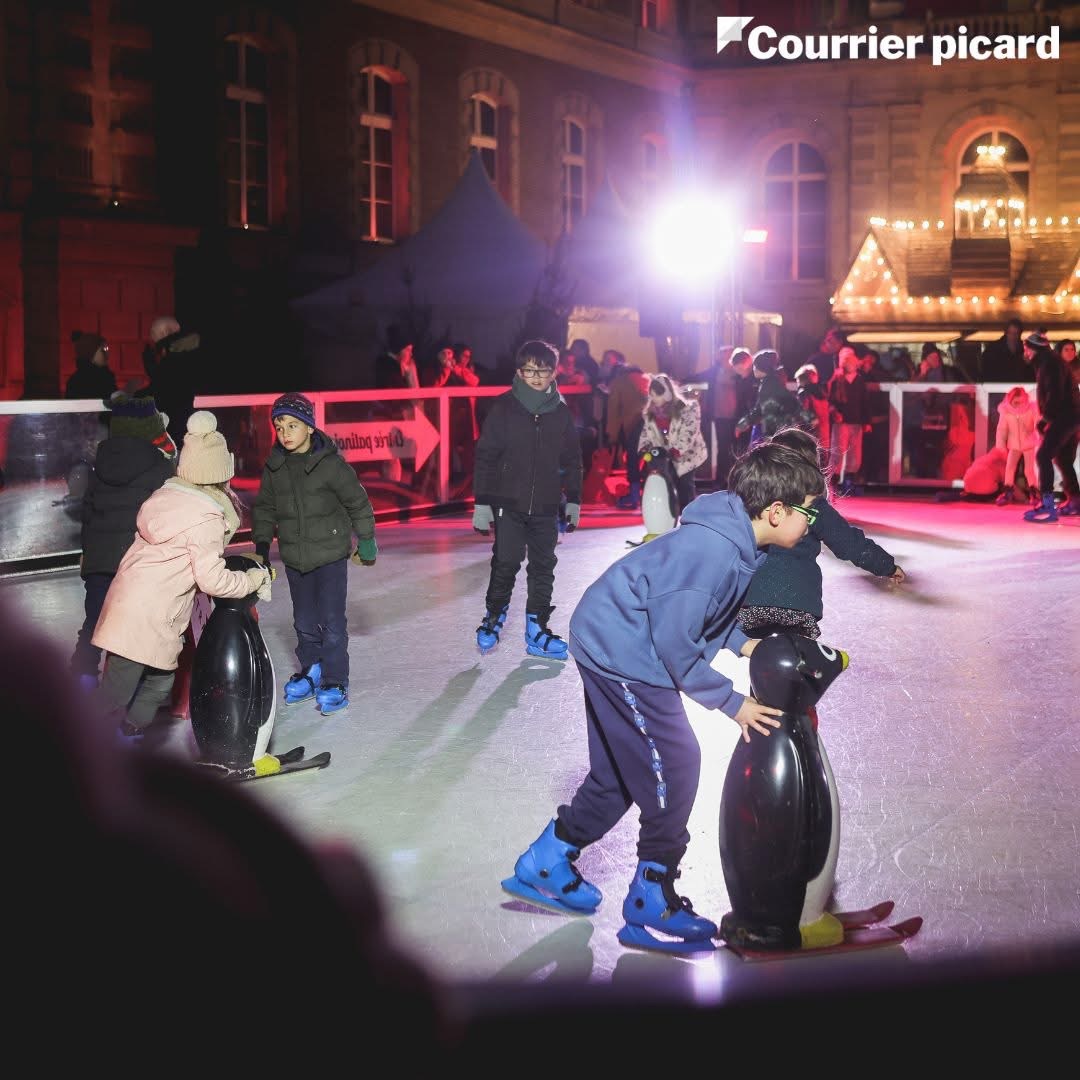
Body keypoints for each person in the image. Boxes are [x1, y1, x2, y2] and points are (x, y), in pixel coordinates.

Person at [500, 440, 826, 953]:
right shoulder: (714, 551)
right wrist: (732, 703)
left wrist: (745, 644)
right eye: (809, 512)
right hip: (625, 651)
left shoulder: (739, 542)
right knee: (676, 763)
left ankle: (546, 860)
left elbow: (702, 616)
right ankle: (650, 898)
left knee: (617, 777)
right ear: (777, 511)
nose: (812, 523)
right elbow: (677, 645)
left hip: (616, 636)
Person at [92, 411, 271, 738]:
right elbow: (212, 579)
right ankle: (82, 740)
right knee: (119, 691)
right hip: (150, 615)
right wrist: (251, 581)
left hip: (129, 605)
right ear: (220, 474)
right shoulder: (205, 517)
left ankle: (130, 730)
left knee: (157, 680)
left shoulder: (166, 496)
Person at [252, 393, 378, 714]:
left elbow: (358, 502)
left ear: (309, 427)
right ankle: (313, 669)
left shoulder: (330, 465)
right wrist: (262, 547)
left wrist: (366, 539)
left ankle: (335, 679)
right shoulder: (275, 466)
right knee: (304, 621)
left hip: (331, 556)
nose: (285, 433)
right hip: (296, 559)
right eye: (279, 427)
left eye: (292, 425)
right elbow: (264, 509)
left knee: (332, 622)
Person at [738, 427, 904, 642]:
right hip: (798, 607)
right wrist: (887, 566)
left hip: (752, 605)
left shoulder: (755, 500)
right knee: (796, 655)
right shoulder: (812, 506)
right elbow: (849, 543)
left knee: (758, 653)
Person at [471, 340, 582, 659]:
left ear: (553, 373)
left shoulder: (560, 413)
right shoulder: (504, 408)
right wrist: (482, 503)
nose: (535, 377)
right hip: (508, 503)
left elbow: (573, 459)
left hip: (546, 505)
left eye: (542, 371)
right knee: (505, 562)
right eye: (529, 370)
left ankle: (537, 629)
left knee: (543, 566)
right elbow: (486, 455)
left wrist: (573, 500)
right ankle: (493, 617)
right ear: (519, 372)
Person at [70, 394, 177, 691]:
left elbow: (88, 515)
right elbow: (164, 514)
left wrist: (88, 553)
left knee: (96, 620)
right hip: (136, 562)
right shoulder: (160, 466)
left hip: (99, 560)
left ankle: (83, 676)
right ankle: (132, 686)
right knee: (135, 624)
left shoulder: (99, 465)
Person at [1022, 331, 1080, 521]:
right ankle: (1076, 500)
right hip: (1072, 416)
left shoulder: (1049, 364)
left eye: (1026, 349)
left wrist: (1046, 418)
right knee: (1063, 459)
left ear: (1034, 349)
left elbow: (1055, 392)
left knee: (1043, 455)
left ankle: (1047, 503)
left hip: (1064, 416)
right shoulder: (1050, 361)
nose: (1025, 353)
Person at [636, 373, 708, 515]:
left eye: (657, 395)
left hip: (687, 456)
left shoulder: (687, 409)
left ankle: (689, 515)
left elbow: (689, 431)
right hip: (664, 457)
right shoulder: (650, 414)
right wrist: (644, 447)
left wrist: (677, 449)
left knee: (685, 484)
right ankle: (670, 514)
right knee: (666, 484)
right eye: (652, 395)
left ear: (667, 394)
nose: (654, 399)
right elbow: (646, 432)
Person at [141, 316, 204, 448]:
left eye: (154, 335)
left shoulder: (176, 357)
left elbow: (164, 388)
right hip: (189, 430)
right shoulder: (188, 351)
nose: (152, 340)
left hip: (180, 433)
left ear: (165, 333)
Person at [734, 349, 804, 447]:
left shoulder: (768, 385)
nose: (753, 369)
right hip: (779, 429)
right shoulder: (772, 382)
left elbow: (759, 409)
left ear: (762, 368)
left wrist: (742, 424)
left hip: (774, 430)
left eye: (755, 366)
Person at [826, 346, 871, 494]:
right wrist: (835, 412)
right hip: (841, 422)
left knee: (855, 452)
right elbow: (831, 401)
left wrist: (866, 422)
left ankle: (849, 481)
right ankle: (834, 482)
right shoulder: (837, 379)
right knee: (838, 451)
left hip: (856, 421)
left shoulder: (859, 380)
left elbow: (864, 402)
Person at [993, 385, 1038, 506]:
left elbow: (1038, 424)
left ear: (1026, 400)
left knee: (1029, 470)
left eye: (1022, 402)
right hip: (1014, 445)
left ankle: (1034, 493)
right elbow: (1002, 429)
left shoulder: (1031, 410)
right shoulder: (1006, 412)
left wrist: (1038, 437)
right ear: (1010, 401)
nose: (1019, 406)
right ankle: (1008, 492)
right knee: (1010, 467)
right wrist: (1000, 445)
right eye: (1016, 403)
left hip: (1028, 444)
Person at [794, 363, 830, 463]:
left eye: (798, 380)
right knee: (823, 461)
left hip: (809, 433)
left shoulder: (803, 393)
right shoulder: (822, 393)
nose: (797, 383)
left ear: (803, 379)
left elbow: (803, 411)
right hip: (823, 432)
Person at [65, 331, 116, 401]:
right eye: (103, 350)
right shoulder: (79, 382)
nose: (107, 354)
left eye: (107, 349)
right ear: (90, 353)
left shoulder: (105, 377)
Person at [980, 318, 1027, 383]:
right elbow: (986, 371)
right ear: (1006, 333)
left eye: (1016, 333)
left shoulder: (1025, 349)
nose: (1013, 337)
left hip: (1020, 386)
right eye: (1010, 333)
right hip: (997, 385)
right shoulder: (993, 348)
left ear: (1020, 334)